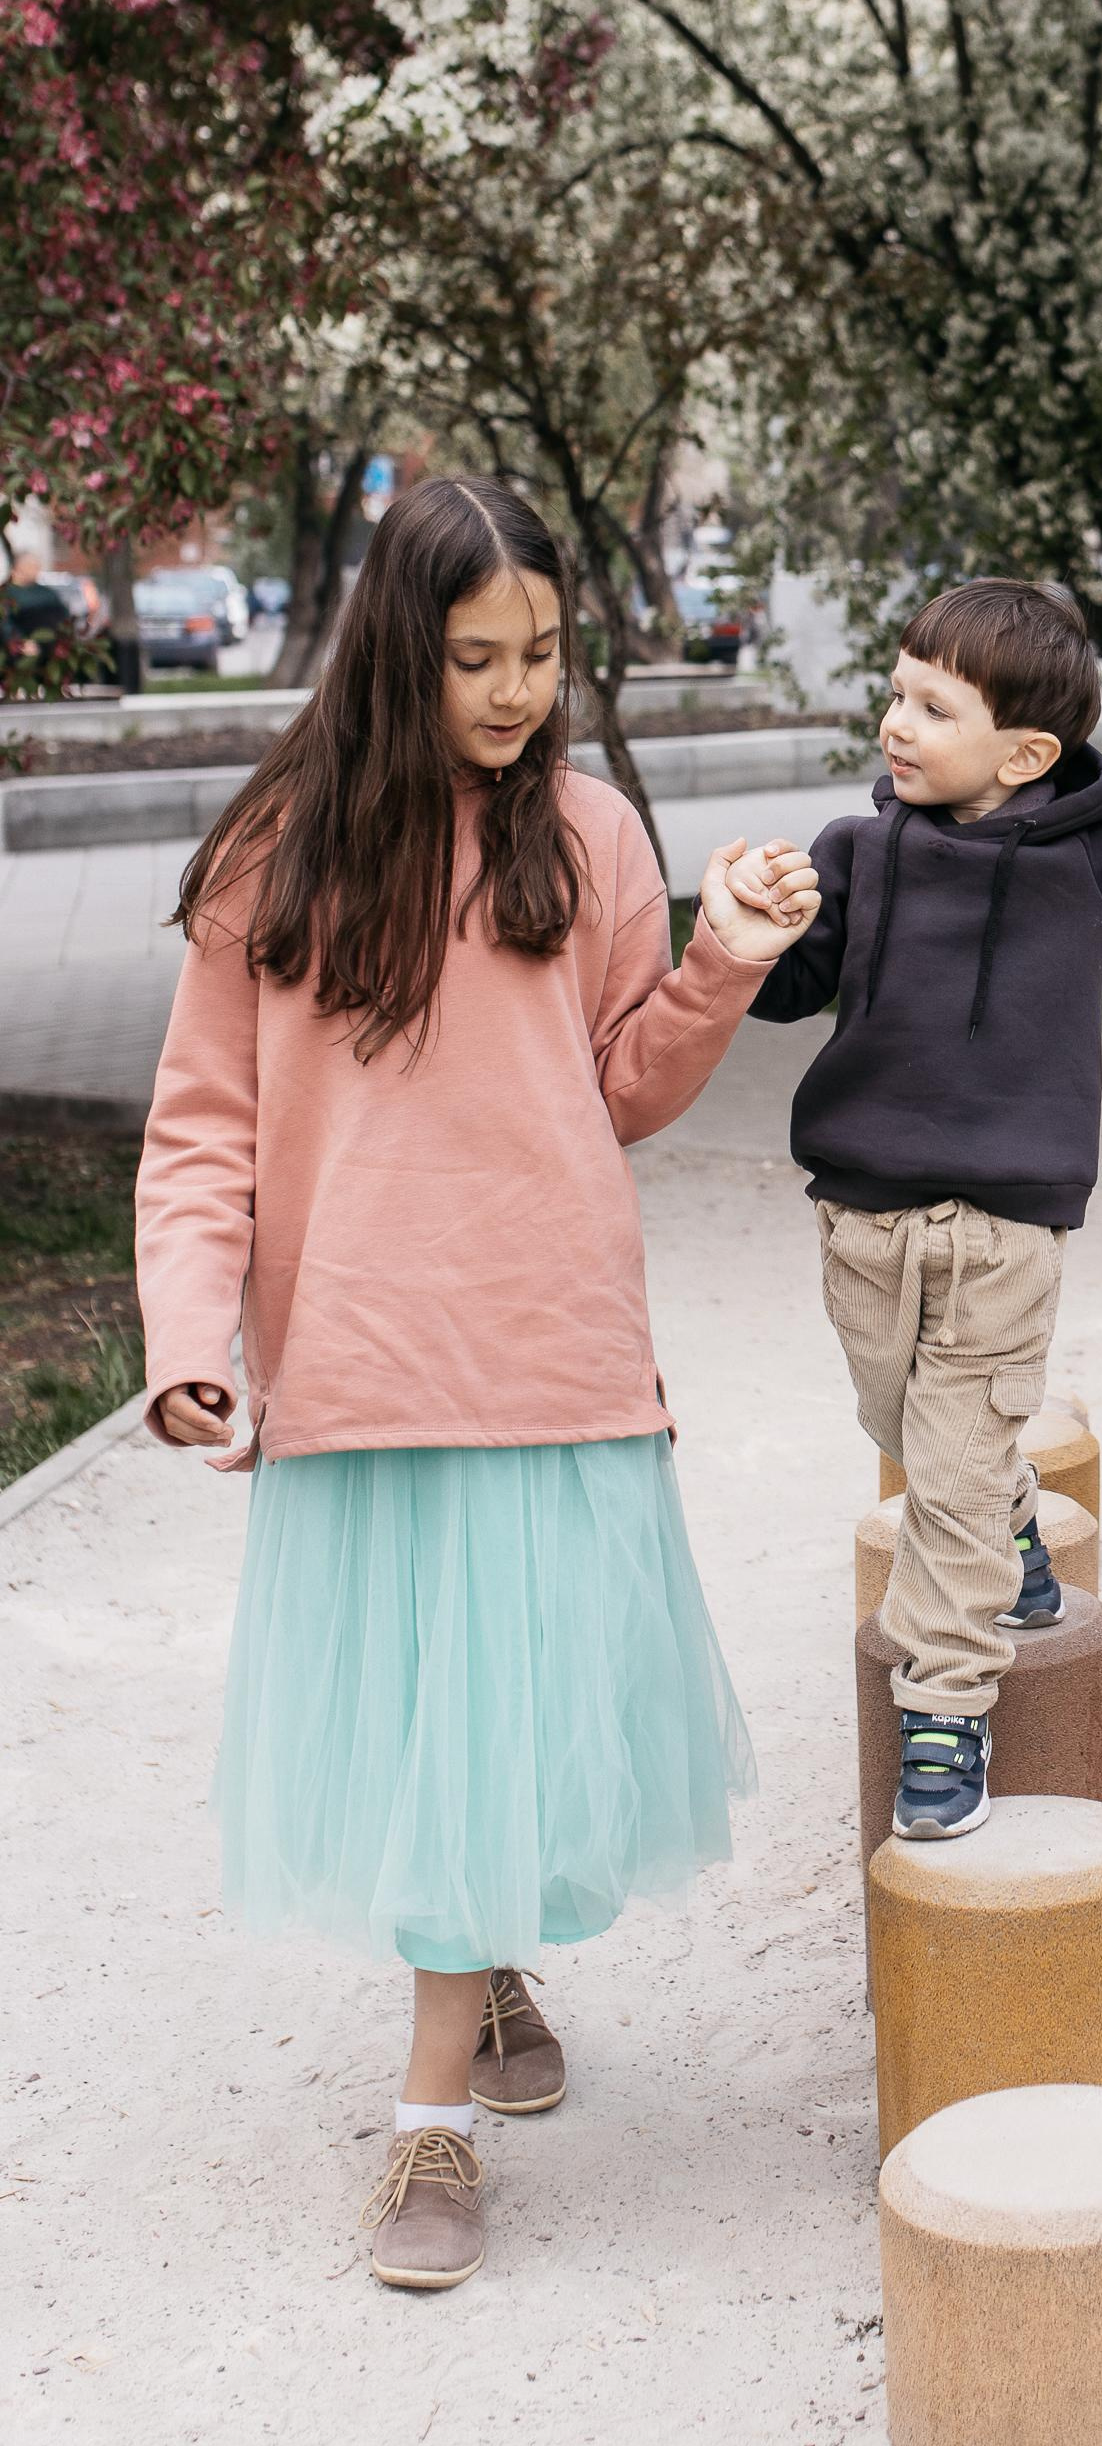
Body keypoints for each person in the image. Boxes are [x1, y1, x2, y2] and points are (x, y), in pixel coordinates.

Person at [138, 475, 821, 2291]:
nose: (517, 693)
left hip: (552, 1349)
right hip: (363, 1365)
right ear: (396, 652)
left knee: (498, 1723)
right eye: (475, 660)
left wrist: (724, 964)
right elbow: (205, 1132)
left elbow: (622, 1090)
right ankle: (431, 2127)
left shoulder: (589, 831)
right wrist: (183, 1340)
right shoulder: (276, 852)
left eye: (542, 655)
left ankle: (469, 1991)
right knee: (440, 1731)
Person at [743, 578, 1102, 1840]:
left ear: (1025, 752)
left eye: (931, 706)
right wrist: (749, 937)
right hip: (862, 1218)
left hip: (1006, 1229)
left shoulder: (1089, 864)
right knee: (897, 1419)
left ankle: (945, 1705)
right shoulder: (858, 849)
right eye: (896, 690)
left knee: (942, 1475)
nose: (895, 722)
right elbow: (791, 993)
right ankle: (1012, 1527)